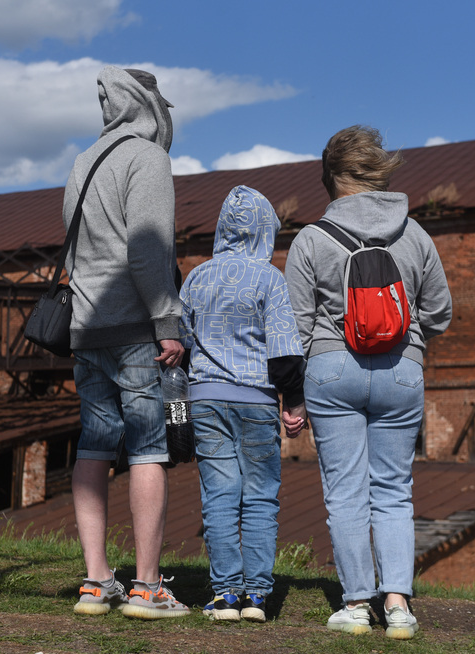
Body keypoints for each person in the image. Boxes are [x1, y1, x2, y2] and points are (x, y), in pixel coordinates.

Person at [284, 125, 452, 639]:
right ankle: (398, 604)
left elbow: (295, 324)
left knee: (346, 492)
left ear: (330, 178)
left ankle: (356, 604)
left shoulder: (311, 240)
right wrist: (412, 348)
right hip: (401, 370)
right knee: (394, 491)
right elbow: (440, 312)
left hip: (333, 371)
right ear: (377, 175)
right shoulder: (416, 234)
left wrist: (303, 381)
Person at [64, 65, 189, 620]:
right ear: (149, 105)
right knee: (146, 450)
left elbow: (73, 257)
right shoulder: (147, 158)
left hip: (85, 330)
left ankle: (95, 582)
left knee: (93, 446)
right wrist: (168, 321)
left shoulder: (81, 163)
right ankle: (147, 586)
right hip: (137, 330)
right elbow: (147, 251)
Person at [179, 185, 307, 623]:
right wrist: (293, 402)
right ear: (263, 231)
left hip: (205, 399)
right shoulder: (270, 278)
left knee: (218, 494)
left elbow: (181, 342)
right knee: (259, 497)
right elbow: (285, 351)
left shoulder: (197, 276)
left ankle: (225, 594)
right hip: (255, 399)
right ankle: (256, 596)